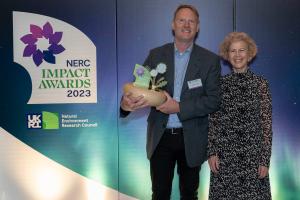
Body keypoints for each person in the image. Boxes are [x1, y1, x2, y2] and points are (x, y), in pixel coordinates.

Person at [120, 4, 221, 200]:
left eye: (191, 21)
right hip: (161, 137)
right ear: (173, 25)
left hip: (192, 138)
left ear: (198, 27)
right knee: (159, 194)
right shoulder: (156, 54)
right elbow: (140, 86)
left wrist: (180, 107)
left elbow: (214, 101)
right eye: (182, 20)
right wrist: (126, 105)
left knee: (189, 194)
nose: (186, 25)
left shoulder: (210, 60)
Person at [207, 32, 272, 200]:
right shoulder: (219, 85)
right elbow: (214, 121)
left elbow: (266, 124)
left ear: (249, 54)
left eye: (241, 50)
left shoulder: (261, 84)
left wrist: (265, 160)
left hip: (253, 159)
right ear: (227, 55)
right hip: (225, 159)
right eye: (233, 51)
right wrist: (212, 152)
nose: (237, 55)